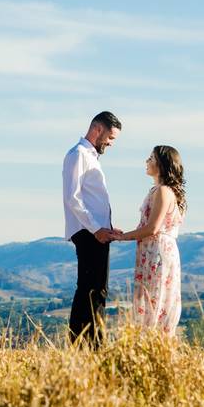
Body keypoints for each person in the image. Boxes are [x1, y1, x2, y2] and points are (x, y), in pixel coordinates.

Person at [62, 111, 123, 348]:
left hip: (96, 232)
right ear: (97, 129)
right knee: (92, 290)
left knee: (95, 289)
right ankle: (90, 345)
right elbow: (73, 198)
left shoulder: (90, 156)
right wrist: (97, 229)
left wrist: (105, 228)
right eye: (110, 137)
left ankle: (87, 344)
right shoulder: (78, 155)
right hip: (88, 233)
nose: (111, 143)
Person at [115, 145, 186, 337]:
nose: (147, 161)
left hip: (157, 251)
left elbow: (152, 228)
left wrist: (121, 237)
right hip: (154, 249)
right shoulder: (160, 190)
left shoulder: (163, 191)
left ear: (162, 165)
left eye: (151, 158)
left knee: (155, 297)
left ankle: (154, 343)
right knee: (154, 298)